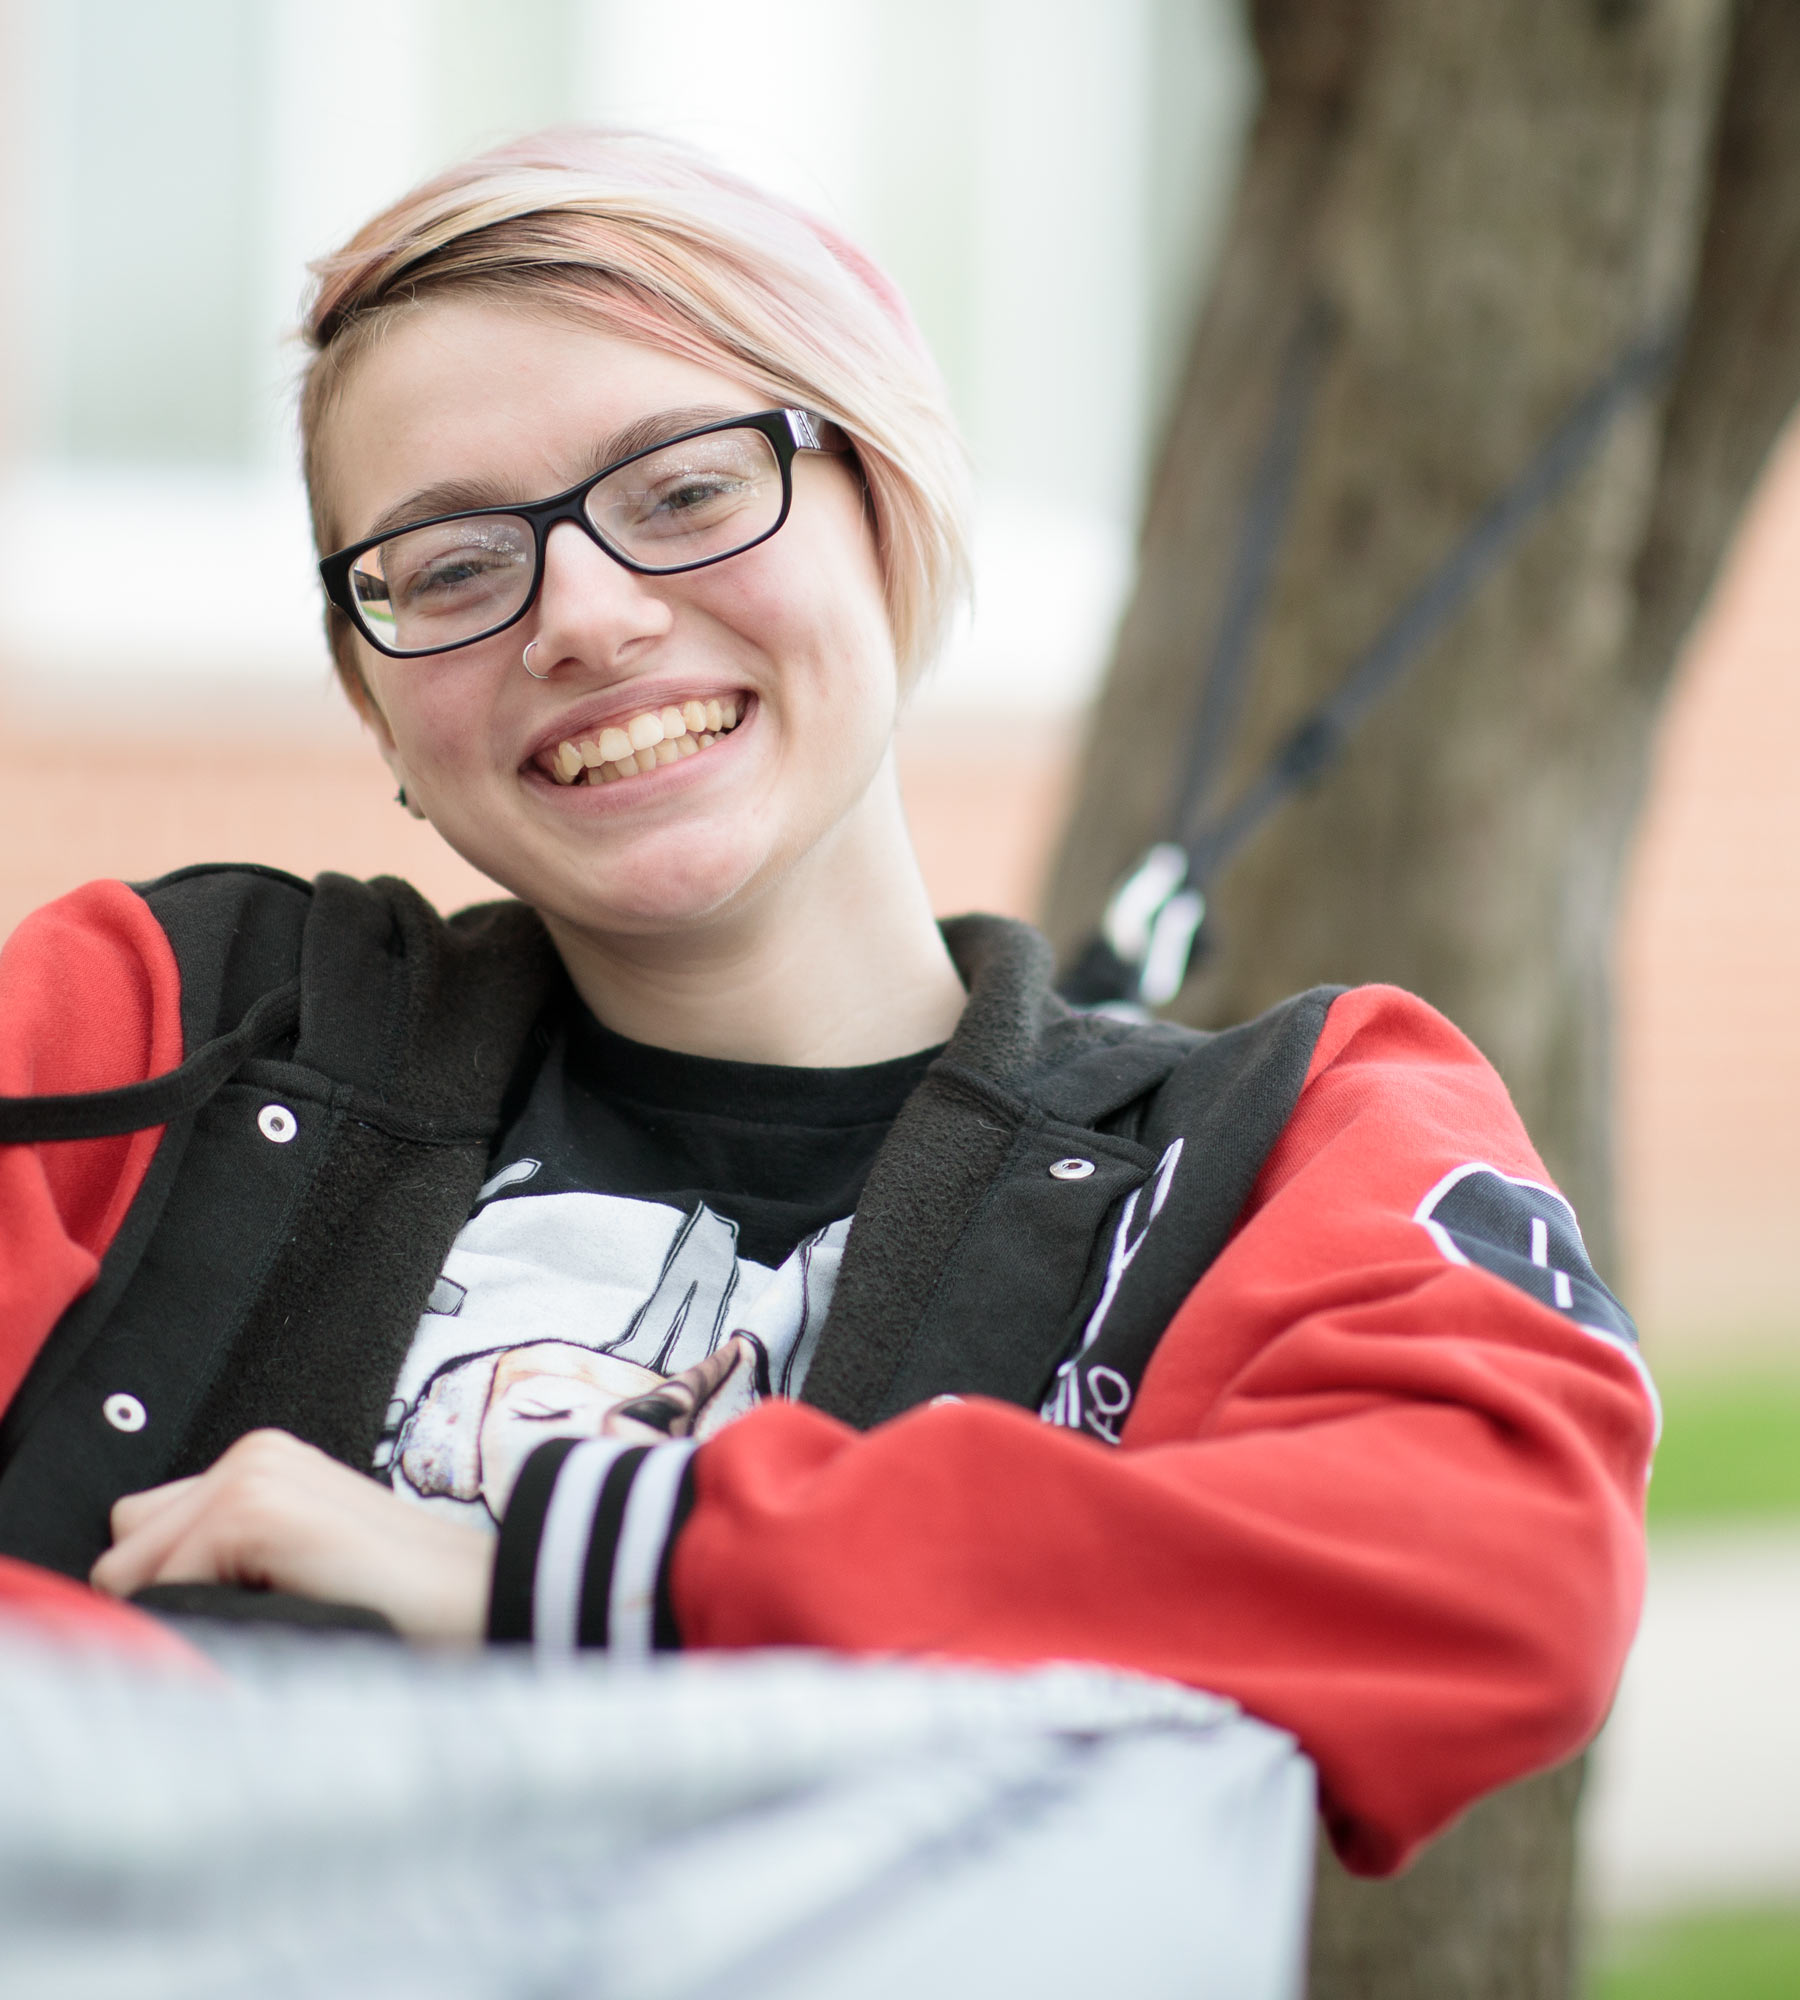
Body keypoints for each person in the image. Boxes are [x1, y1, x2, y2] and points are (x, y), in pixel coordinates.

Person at [0, 127, 1653, 1878]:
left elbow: (1502, 1568)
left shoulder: (1289, 1140)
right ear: (380, 704)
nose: (584, 614)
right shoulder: (157, 1025)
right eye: (456, 565)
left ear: (889, 507)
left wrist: (565, 1575)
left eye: (689, 488)